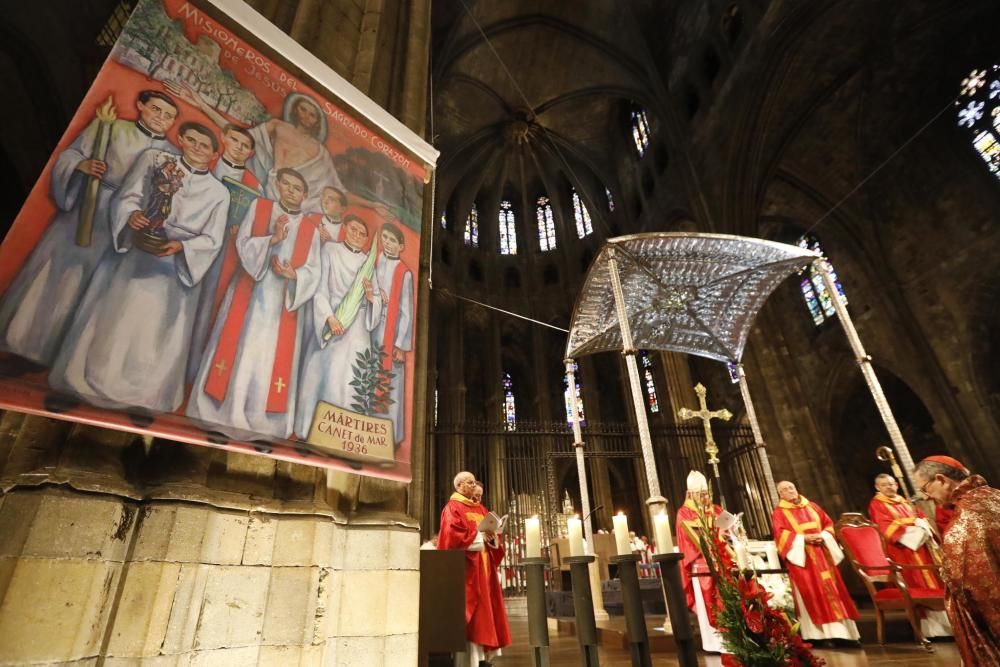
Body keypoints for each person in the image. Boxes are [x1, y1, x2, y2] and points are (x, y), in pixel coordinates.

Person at [49, 122, 229, 412]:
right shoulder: (154, 161)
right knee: (113, 320)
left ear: (213, 155)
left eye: (204, 145)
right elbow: (127, 196)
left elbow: (212, 238)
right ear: (180, 139)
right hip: (135, 256)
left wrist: (183, 247)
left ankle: (145, 399)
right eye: (191, 140)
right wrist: (131, 216)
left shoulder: (219, 193)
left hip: (173, 271)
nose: (196, 147)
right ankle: (85, 384)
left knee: (156, 333)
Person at [0, 90, 179, 366]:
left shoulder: (172, 155)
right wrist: (82, 165)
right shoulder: (111, 126)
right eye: (156, 110)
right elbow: (70, 155)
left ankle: (64, 359)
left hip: (124, 224)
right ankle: (25, 346)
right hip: (91, 206)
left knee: (95, 289)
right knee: (57, 275)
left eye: (168, 116)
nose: (161, 118)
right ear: (141, 105)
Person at [188, 168, 321, 440]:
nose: (291, 191)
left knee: (269, 358)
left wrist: (293, 274)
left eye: (298, 188)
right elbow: (243, 242)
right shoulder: (260, 207)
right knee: (241, 348)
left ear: (305, 195)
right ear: (279, 184)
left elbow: (314, 270)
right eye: (287, 185)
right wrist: (273, 239)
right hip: (249, 294)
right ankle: (221, 415)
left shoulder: (311, 230)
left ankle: (264, 427)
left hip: (281, 304)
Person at [165, 83, 343, 212]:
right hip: (261, 185)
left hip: (286, 200)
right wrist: (202, 106)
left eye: (312, 115)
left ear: (317, 121)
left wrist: (372, 205)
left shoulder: (321, 153)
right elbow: (240, 135)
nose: (306, 117)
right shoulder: (278, 126)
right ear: (296, 109)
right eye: (303, 110)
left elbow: (338, 190)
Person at [187, 124, 262, 384]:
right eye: (234, 140)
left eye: (245, 145)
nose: (239, 148)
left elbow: (256, 221)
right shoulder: (204, 161)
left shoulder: (254, 184)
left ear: (251, 152)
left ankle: (193, 369)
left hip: (226, 251)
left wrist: (241, 226)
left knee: (210, 303)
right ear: (223, 138)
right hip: (192, 240)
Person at [294, 214, 380, 437]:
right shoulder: (329, 251)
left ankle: (343, 439)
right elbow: (319, 289)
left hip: (358, 326)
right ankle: (308, 431)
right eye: (353, 230)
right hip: (333, 319)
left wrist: (372, 298)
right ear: (344, 228)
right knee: (321, 372)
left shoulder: (367, 262)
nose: (358, 236)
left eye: (362, 234)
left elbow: (376, 296)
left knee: (352, 379)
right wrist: (329, 318)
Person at [913, 455, 1000, 664]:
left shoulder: (962, 526)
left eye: (925, 489)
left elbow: (977, 589)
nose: (925, 497)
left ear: (942, 480)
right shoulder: (995, 497)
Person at [772, 480, 860, 643]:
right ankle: (819, 635)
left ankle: (846, 634)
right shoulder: (779, 512)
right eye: (784, 489)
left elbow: (828, 524)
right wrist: (803, 539)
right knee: (813, 594)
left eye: (791, 487)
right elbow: (781, 535)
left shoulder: (812, 506)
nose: (789, 491)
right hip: (803, 558)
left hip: (822, 553)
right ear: (780, 494)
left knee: (834, 592)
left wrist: (824, 536)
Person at [438, 471, 510, 667]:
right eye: (470, 483)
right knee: (474, 616)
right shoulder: (452, 508)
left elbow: (491, 535)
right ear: (459, 486)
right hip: (467, 572)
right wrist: (479, 537)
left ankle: (484, 658)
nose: (473, 486)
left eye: (473, 483)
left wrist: (493, 536)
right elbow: (452, 537)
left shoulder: (479, 508)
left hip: (485, 571)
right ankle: (470, 661)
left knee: (487, 613)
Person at [867, 473, 952, 638]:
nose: (889, 487)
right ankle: (930, 632)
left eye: (891, 484)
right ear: (877, 487)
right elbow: (885, 527)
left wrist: (923, 524)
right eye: (884, 485)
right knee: (916, 583)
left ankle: (947, 628)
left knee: (934, 583)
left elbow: (921, 517)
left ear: (897, 485)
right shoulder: (877, 504)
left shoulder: (905, 502)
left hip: (922, 549)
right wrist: (914, 531)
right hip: (903, 551)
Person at [370, 222, 413, 445]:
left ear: (401, 246)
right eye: (384, 237)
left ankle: (389, 436)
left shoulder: (404, 273)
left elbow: (407, 312)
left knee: (390, 384)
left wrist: (399, 345)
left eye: (392, 240)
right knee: (368, 376)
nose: (387, 242)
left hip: (391, 335)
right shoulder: (375, 261)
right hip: (371, 327)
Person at [675, 470, 726, 653]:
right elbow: (687, 539)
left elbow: (729, 528)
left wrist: (728, 532)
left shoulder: (717, 509)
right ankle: (714, 643)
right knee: (708, 603)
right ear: (690, 494)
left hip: (724, 561)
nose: (705, 497)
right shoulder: (685, 513)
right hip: (702, 564)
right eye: (700, 494)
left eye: (706, 493)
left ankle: (734, 637)